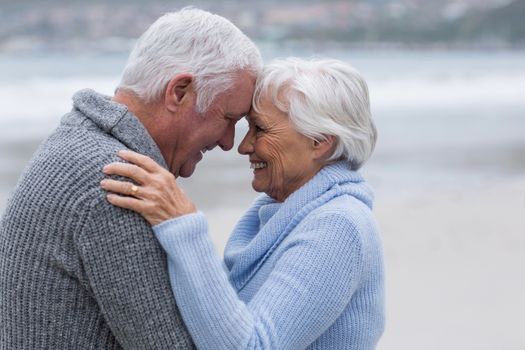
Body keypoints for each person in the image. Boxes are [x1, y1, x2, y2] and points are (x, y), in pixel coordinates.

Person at [0, 8, 262, 349]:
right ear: (180, 91)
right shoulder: (117, 182)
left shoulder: (77, 142)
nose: (229, 141)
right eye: (228, 118)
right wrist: (187, 226)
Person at [101, 58, 385, 349]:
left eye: (260, 130)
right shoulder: (280, 211)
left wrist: (182, 225)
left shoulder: (338, 224)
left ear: (320, 142)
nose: (244, 145)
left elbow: (253, 345)